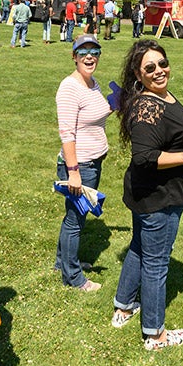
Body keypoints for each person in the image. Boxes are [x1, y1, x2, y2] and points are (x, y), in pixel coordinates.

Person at [113, 40, 183, 351]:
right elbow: (145, 156)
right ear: (139, 75)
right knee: (156, 263)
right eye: (150, 68)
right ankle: (154, 334)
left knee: (140, 248)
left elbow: (169, 133)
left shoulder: (161, 95)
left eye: (162, 63)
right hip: (158, 197)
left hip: (153, 193)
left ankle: (124, 307)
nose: (159, 71)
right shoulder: (147, 106)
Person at [54, 34, 112, 292]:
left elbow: (92, 115)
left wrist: (114, 105)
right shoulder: (70, 88)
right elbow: (67, 134)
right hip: (80, 165)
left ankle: (62, 262)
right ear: (74, 56)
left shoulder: (92, 83)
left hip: (92, 162)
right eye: (83, 52)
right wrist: (73, 171)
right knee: (75, 221)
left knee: (74, 216)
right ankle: (73, 277)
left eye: (95, 52)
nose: (90, 57)